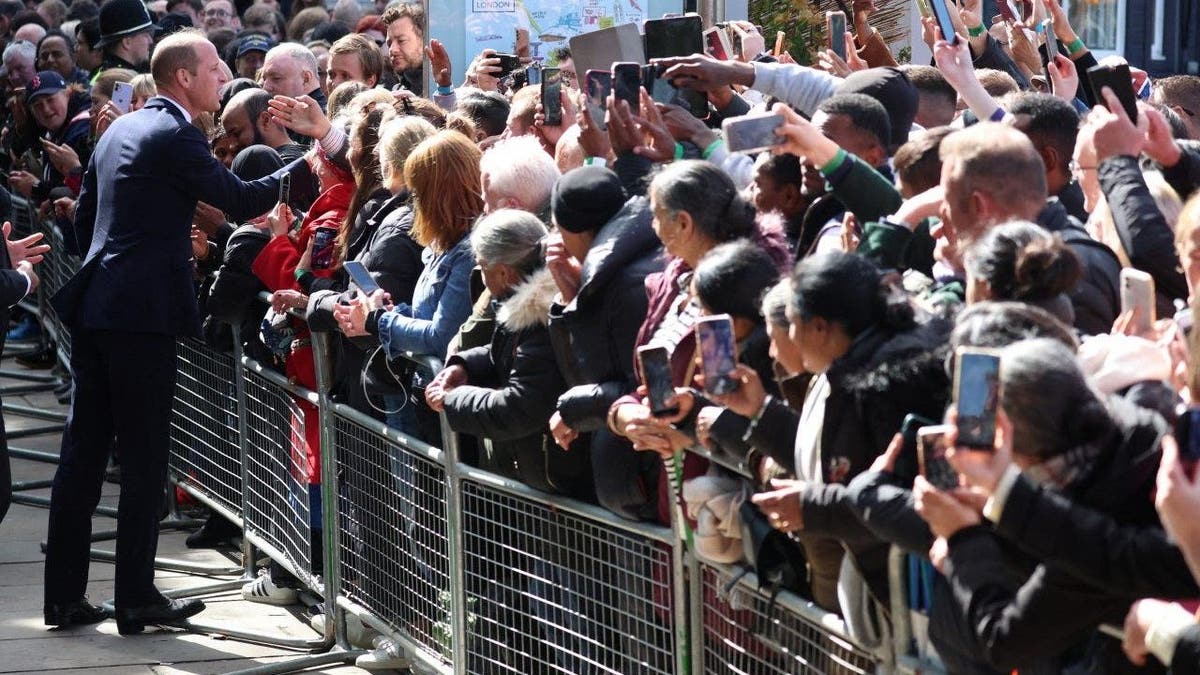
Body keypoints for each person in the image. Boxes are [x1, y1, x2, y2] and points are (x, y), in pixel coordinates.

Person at [43, 29, 302, 635]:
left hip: (98, 307)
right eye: (214, 68)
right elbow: (239, 197)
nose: (222, 77)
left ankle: (64, 598)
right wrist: (311, 158)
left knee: (82, 455)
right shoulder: (175, 132)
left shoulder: (120, 130)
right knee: (143, 455)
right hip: (140, 317)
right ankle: (134, 596)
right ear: (184, 77)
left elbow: (85, 219)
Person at [91, 0, 156, 77]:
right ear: (126, 42)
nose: (150, 41)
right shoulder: (122, 81)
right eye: (146, 35)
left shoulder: (103, 72)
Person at [380, 2, 423, 95]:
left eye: (402, 40)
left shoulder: (440, 88)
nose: (392, 49)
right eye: (389, 43)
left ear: (423, 41)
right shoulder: (394, 93)